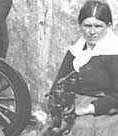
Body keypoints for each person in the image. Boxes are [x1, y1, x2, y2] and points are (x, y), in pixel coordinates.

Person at [51, 1, 118, 136]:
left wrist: (87, 109)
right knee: (54, 129)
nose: (92, 32)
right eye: (87, 26)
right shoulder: (75, 51)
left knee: (84, 128)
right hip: (73, 106)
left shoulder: (114, 53)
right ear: (80, 25)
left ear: (109, 26)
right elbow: (57, 85)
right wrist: (59, 105)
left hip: (105, 109)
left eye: (98, 26)